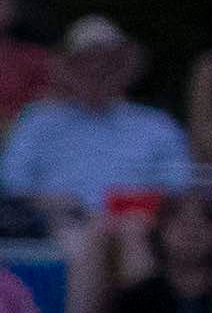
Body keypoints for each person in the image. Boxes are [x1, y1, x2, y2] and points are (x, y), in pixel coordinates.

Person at [1, 16, 197, 215]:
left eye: (107, 61)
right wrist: (49, 205)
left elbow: (179, 190)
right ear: (67, 68)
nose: (96, 69)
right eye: (84, 61)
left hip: (138, 232)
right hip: (52, 234)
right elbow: (12, 186)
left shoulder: (157, 125)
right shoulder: (38, 122)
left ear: (124, 69)